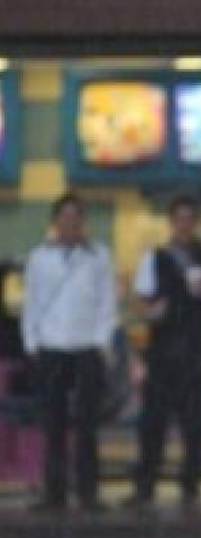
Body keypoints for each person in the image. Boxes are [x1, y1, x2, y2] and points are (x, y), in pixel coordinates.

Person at [123, 195, 201, 511]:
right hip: (162, 352)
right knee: (152, 423)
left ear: (195, 222)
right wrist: (151, 310)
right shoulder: (155, 258)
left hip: (199, 351)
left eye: (189, 218)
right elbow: (140, 301)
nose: (184, 225)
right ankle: (145, 486)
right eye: (179, 218)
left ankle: (190, 487)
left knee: (194, 424)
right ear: (171, 223)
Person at [21, 192, 118, 514]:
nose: (71, 223)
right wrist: (32, 344)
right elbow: (31, 303)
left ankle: (88, 495)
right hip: (51, 350)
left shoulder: (99, 256)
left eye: (76, 217)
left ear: (83, 222)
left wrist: (102, 342)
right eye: (65, 217)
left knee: (88, 425)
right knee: (54, 425)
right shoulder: (39, 257)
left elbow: (108, 303)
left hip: (87, 350)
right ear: (55, 222)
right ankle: (55, 495)